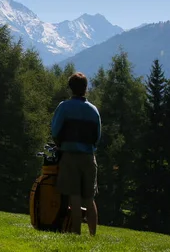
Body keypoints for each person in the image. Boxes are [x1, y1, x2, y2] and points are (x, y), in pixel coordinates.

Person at [51, 72, 101, 235]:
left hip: (70, 155)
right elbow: (97, 136)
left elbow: (55, 130)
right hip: (88, 156)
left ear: (71, 88)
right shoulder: (94, 110)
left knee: (75, 196)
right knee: (89, 198)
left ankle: (76, 233)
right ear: (85, 89)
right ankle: (93, 234)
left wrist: (60, 145)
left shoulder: (64, 107)